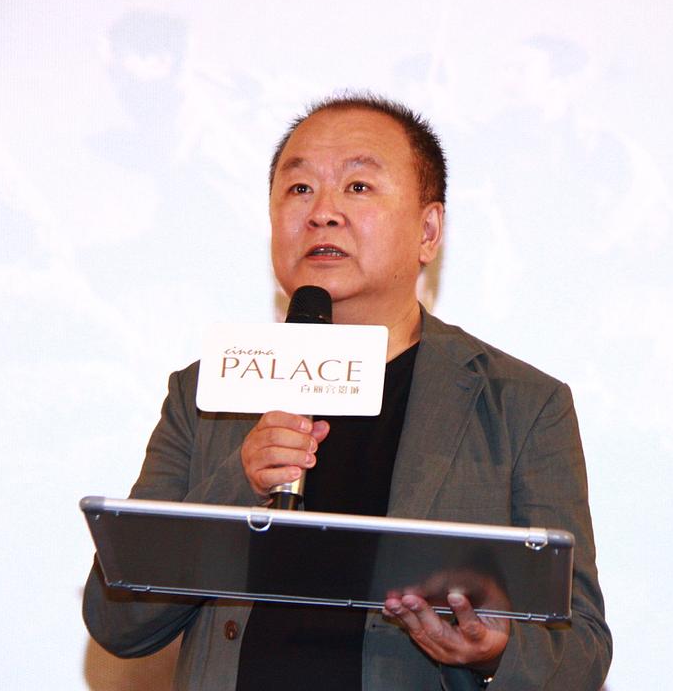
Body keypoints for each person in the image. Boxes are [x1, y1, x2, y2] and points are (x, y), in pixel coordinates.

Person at [83, 93, 612, 690]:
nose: (322, 213)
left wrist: (496, 651)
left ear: (428, 230)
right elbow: (116, 621)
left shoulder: (520, 404)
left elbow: (583, 651)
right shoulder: (208, 392)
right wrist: (238, 485)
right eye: (299, 188)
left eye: (358, 186)